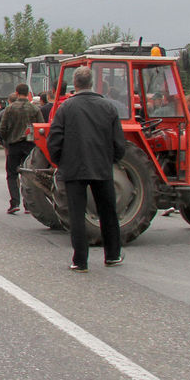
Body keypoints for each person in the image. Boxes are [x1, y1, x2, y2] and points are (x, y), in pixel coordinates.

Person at [47, 66, 126, 272]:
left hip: (74, 168)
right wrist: (111, 160)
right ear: (92, 83)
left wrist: (60, 162)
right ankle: (113, 255)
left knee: (77, 214)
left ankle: (80, 260)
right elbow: (119, 142)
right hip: (101, 167)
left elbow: (54, 139)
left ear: (76, 84)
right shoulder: (108, 107)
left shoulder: (66, 108)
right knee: (108, 212)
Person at [0, 83, 44, 214]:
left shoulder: (10, 109)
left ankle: (14, 202)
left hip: (14, 145)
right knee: (28, 174)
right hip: (29, 145)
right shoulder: (34, 109)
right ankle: (28, 204)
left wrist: (7, 140)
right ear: (28, 93)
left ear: (17, 92)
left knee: (12, 174)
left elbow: (3, 128)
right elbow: (40, 126)